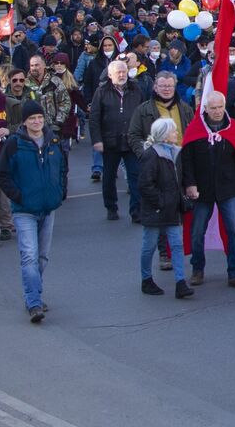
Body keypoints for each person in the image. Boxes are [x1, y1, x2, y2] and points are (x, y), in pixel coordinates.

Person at [0, 100, 65, 322]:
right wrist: (17, 196)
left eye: (39, 118)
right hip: (24, 210)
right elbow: (3, 174)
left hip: (48, 207)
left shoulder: (53, 140)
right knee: (29, 256)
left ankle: (36, 293)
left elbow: (62, 167)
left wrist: (60, 192)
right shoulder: (15, 144)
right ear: (24, 122)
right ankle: (33, 302)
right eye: (31, 119)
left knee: (42, 257)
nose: (36, 122)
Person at [180, 91, 235, 289]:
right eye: (213, 108)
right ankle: (197, 269)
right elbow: (187, 160)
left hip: (228, 187)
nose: (218, 111)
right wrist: (190, 184)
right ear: (206, 109)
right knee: (197, 231)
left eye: (220, 107)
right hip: (202, 189)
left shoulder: (233, 127)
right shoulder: (195, 128)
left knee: (234, 231)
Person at [136, 118, 192, 299]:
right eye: (173, 131)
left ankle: (180, 282)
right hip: (157, 208)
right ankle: (146, 279)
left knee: (176, 244)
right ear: (165, 135)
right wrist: (161, 202)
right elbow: (145, 184)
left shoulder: (176, 152)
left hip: (171, 207)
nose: (176, 133)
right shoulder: (151, 155)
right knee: (149, 245)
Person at [90, 60, 141, 222]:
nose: (121, 75)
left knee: (135, 176)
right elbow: (94, 117)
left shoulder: (136, 89)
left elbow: (144, 112)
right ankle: (111, 207)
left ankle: (136, 211)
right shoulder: (102, 91)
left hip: (132, 141)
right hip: (110, 141)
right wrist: (97, 140)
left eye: (124, 71)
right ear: (110, 75)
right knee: (109, 177)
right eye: (118, 72)